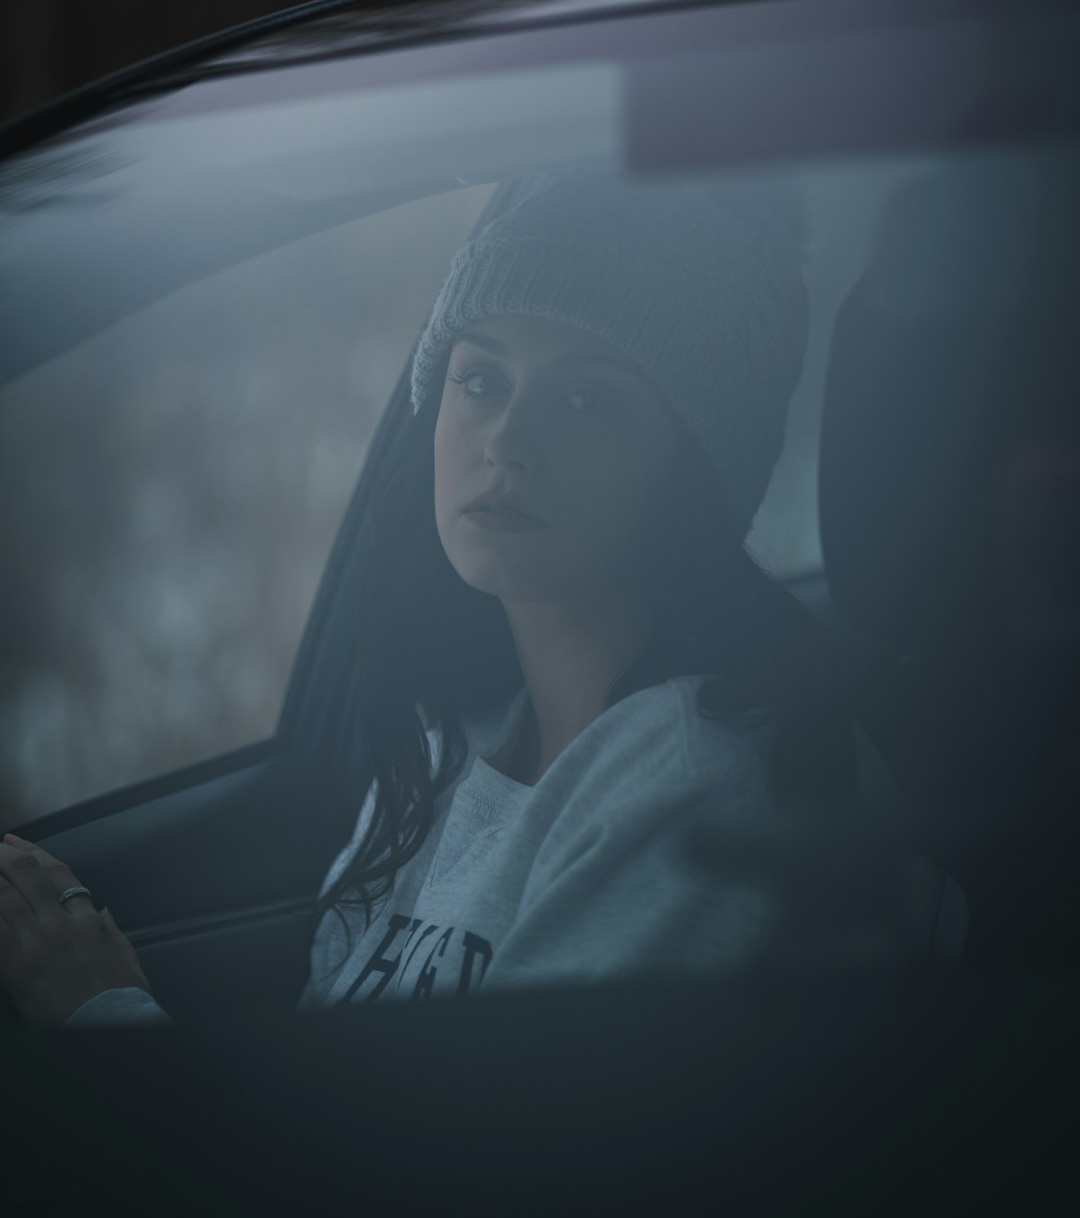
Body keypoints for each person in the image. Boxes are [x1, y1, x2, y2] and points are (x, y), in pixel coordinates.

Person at [0, 169, 933, 1029]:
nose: (508, 442)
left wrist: (102, 1015)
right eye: (481, 381)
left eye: (589, 403)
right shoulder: (446, 748)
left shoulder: (702, 787)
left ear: (692, 468)